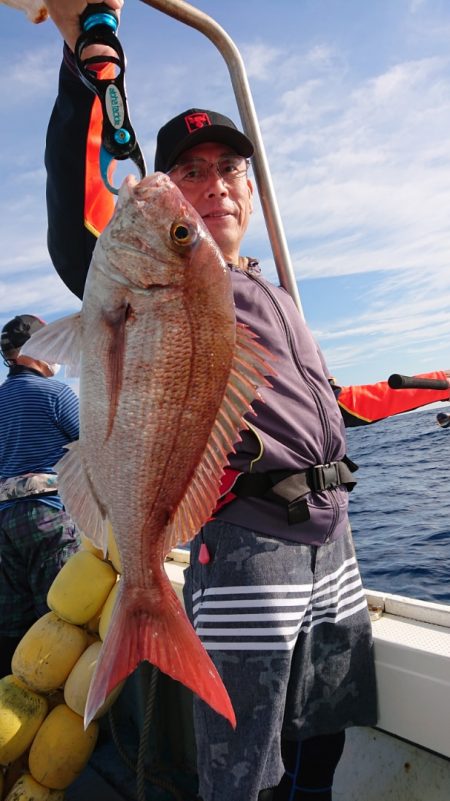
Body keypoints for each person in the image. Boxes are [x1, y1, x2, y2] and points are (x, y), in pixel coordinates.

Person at [42, 4, 450, 799]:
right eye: (191, 170)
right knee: (247, 770)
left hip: (334, 545)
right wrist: (82, 63)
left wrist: (432, 386)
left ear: (251, 189)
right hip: (248, 554)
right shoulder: (153, 278)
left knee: (323, 740)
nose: (214, 184)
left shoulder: (270, 288)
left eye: (230, 168)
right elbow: (75, 210)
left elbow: (331, 404)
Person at [0, 314, 81, 677]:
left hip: (5, 524)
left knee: (13, 623)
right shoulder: (56, 394)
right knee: (59, 618)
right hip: (48, 517)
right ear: (33, 350)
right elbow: (95, 448)